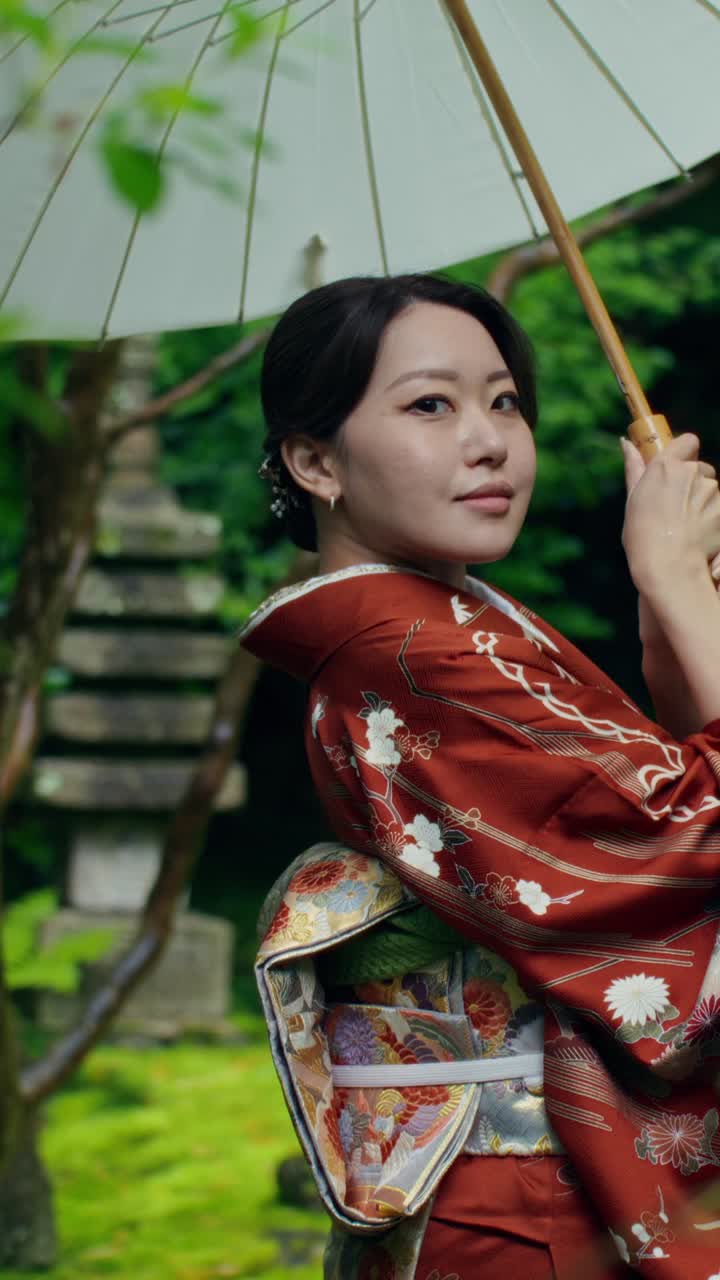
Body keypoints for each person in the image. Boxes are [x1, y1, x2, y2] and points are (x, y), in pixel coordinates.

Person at [240, 274, 720, 1280]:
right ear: (315, 459)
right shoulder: (410, 655)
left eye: (504, 400)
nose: (490, 438)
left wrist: (667, 610)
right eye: (431, 403)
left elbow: (670, 789)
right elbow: (687, 843)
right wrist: (675, 582)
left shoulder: (453, 630)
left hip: (532, 1195)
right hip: (522, 1202)